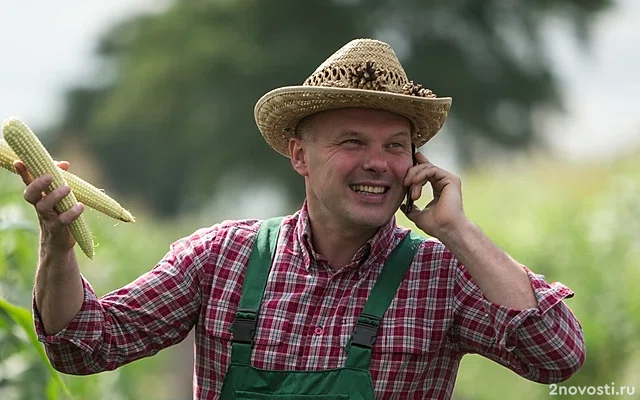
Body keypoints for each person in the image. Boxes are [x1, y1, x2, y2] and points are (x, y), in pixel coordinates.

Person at [16, 38, 585, 399]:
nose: (378, 164)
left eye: (395, 146)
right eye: (352, 141)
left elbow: (557, 357)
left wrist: (460, 231)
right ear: (299, 155)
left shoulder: (444, 276)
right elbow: (85, 345)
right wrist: (58, 245)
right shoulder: (221, 258)